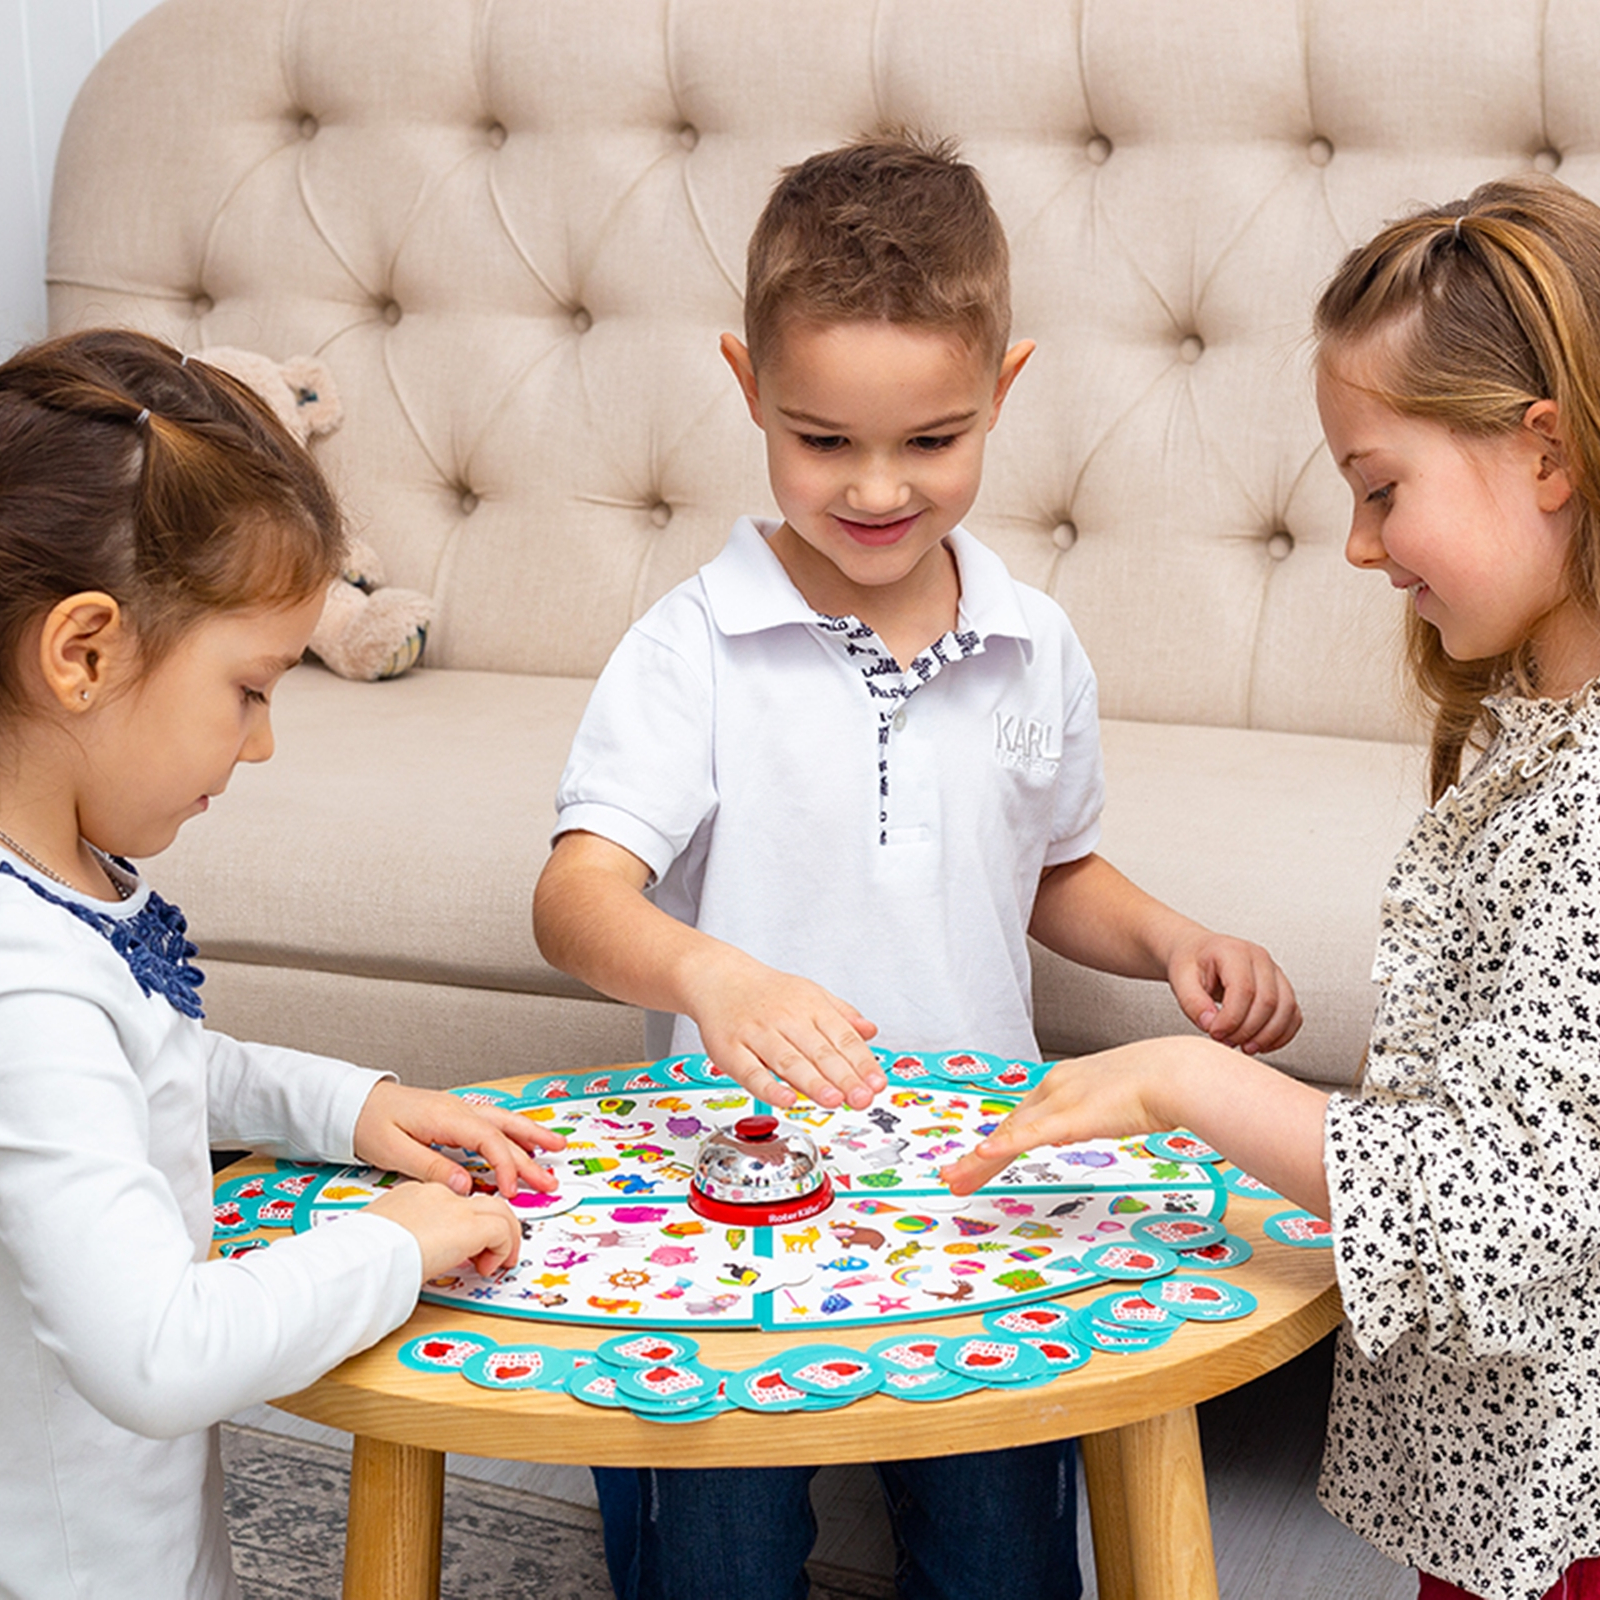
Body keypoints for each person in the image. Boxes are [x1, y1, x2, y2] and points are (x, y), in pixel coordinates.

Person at [534, 133, 1300, 1600]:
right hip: (730, 1198)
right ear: (748, 389)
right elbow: (574, 899)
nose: (878, 488)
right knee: (717, 1557)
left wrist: (1169, 939)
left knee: (1003, 1556)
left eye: (931, 440)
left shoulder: (1037, 640)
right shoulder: (690, 647)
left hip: (983, 1186)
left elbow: (1048, 867)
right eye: (822, 439)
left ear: (1003, 391)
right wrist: (714, 972)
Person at [946, 171, 1600, 1600]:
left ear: (1545, 452)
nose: (1361, 547)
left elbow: (1510, 1199)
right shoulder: (1531, 733)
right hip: (1518, 1483)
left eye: (1380, 492)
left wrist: (1188, 1082)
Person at [0, 328, 566, 1600]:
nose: (260, 746)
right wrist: (390, 1242)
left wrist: (348, 1106)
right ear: (83, 653)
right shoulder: (22, 983)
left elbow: (154, 1061)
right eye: (250, 689)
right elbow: (153, 1351)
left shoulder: (54, 887)